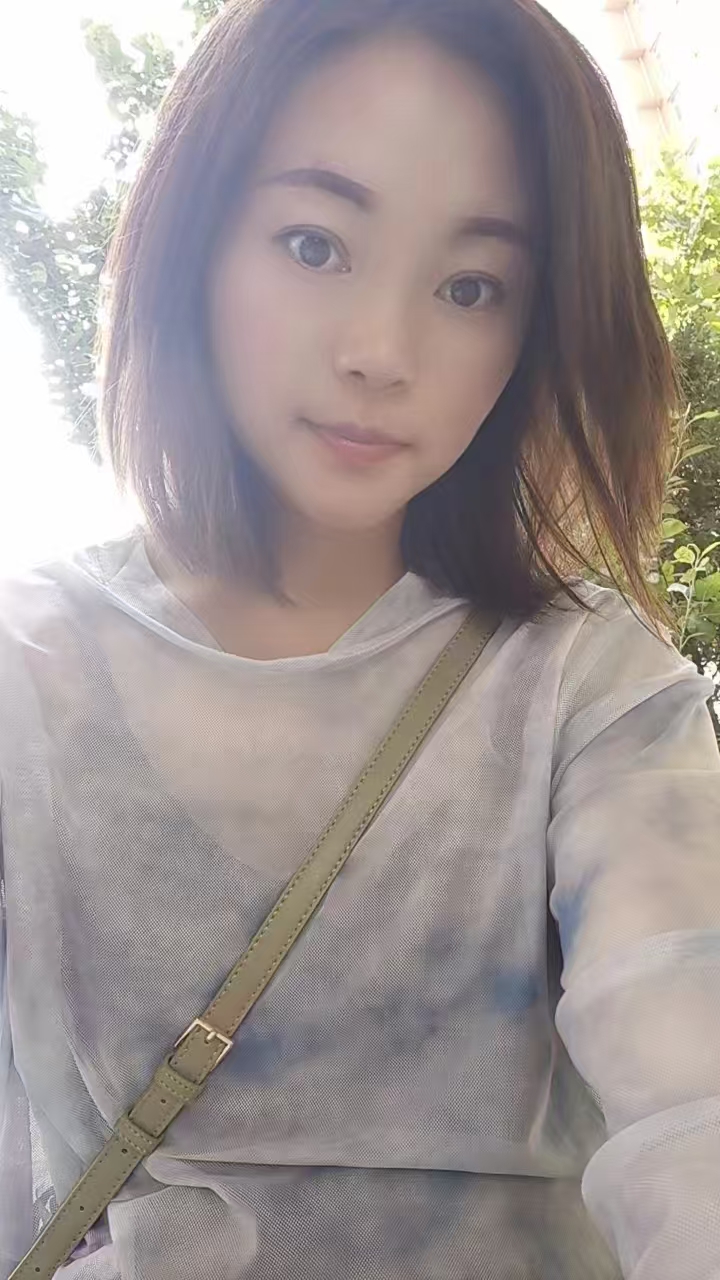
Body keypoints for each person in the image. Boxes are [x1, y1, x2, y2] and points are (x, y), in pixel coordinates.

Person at [1, 0, 719, 1276]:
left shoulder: (588, 686)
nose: (382, 351)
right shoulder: (28, 667)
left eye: (471, 286)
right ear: (193, 239)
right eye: (313, 242)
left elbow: (693, 1090)